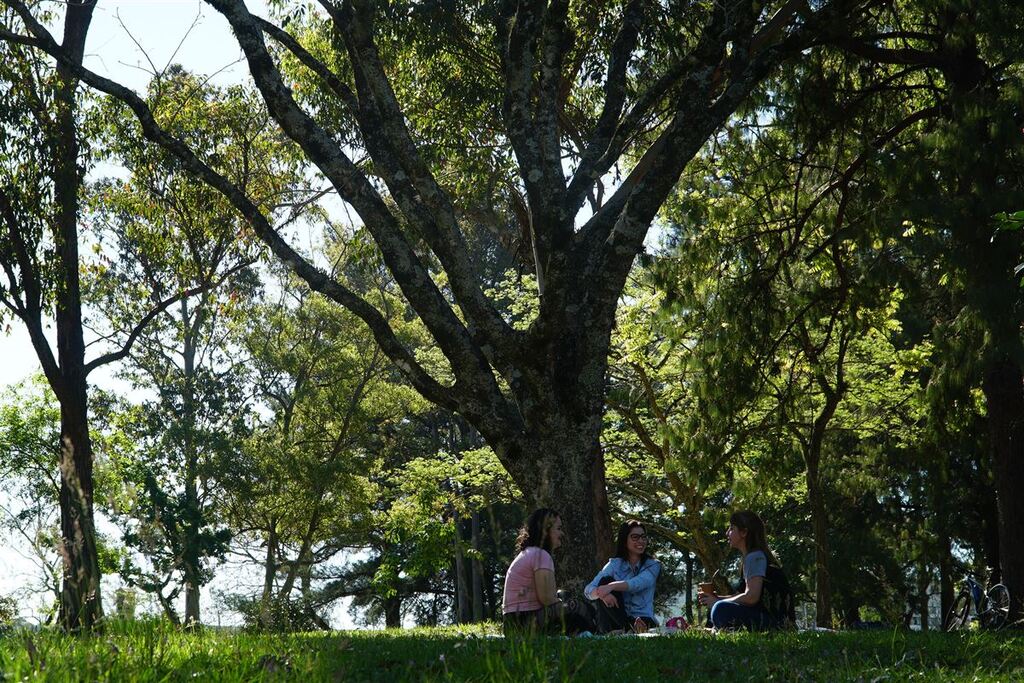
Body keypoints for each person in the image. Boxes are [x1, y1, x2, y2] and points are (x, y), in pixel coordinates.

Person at [502, 508, 594, 635]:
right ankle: (597, 633)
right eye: (558, 528)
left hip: (512, 626)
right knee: (577, 606)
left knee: (565, 600)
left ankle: (583, 634)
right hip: (525, 624)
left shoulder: (529, 553)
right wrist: (565, 604)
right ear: (545, 530)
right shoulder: (541, 555)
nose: (562, 533)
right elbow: (546, 598)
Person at [698, 510, 787, 630]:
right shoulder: (754, 556)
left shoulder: (755, 557)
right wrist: (716, 598)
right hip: (769, 619)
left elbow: (751, 597)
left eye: (731, 528)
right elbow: (744, 597)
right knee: (718, 605)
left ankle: (724, 629)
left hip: (773, 623)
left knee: (720, 608)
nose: (727, 533)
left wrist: (717, 602)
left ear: (744, 532)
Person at [584, 520, 661, 633]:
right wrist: (602, 594)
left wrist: (611, 586)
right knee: (605, 580)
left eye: (643, 537)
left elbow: (637, 584)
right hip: (617, 619)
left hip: (643, 619)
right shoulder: (614, 564)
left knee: (607, 584)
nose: (641, 541)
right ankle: (627, 629)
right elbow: (588, 590)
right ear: (625, 540)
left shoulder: (653, 565)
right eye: (635, 537)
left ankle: (627, 629)